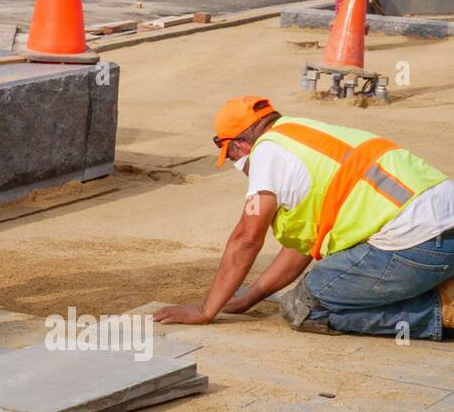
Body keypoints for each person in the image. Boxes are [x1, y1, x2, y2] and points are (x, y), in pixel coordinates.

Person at [155, 96, 454, 339]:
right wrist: (249, 298)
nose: (239, 166)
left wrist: (205, 310)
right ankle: (439, 282)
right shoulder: (302, 134)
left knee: (306, 307)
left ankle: (441, 312)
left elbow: (246, 239)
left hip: (419, 243)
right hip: (437, 229)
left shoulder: (266, 153)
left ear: (240, 146)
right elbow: (300, 249)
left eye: (232, 159)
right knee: (321, 282)